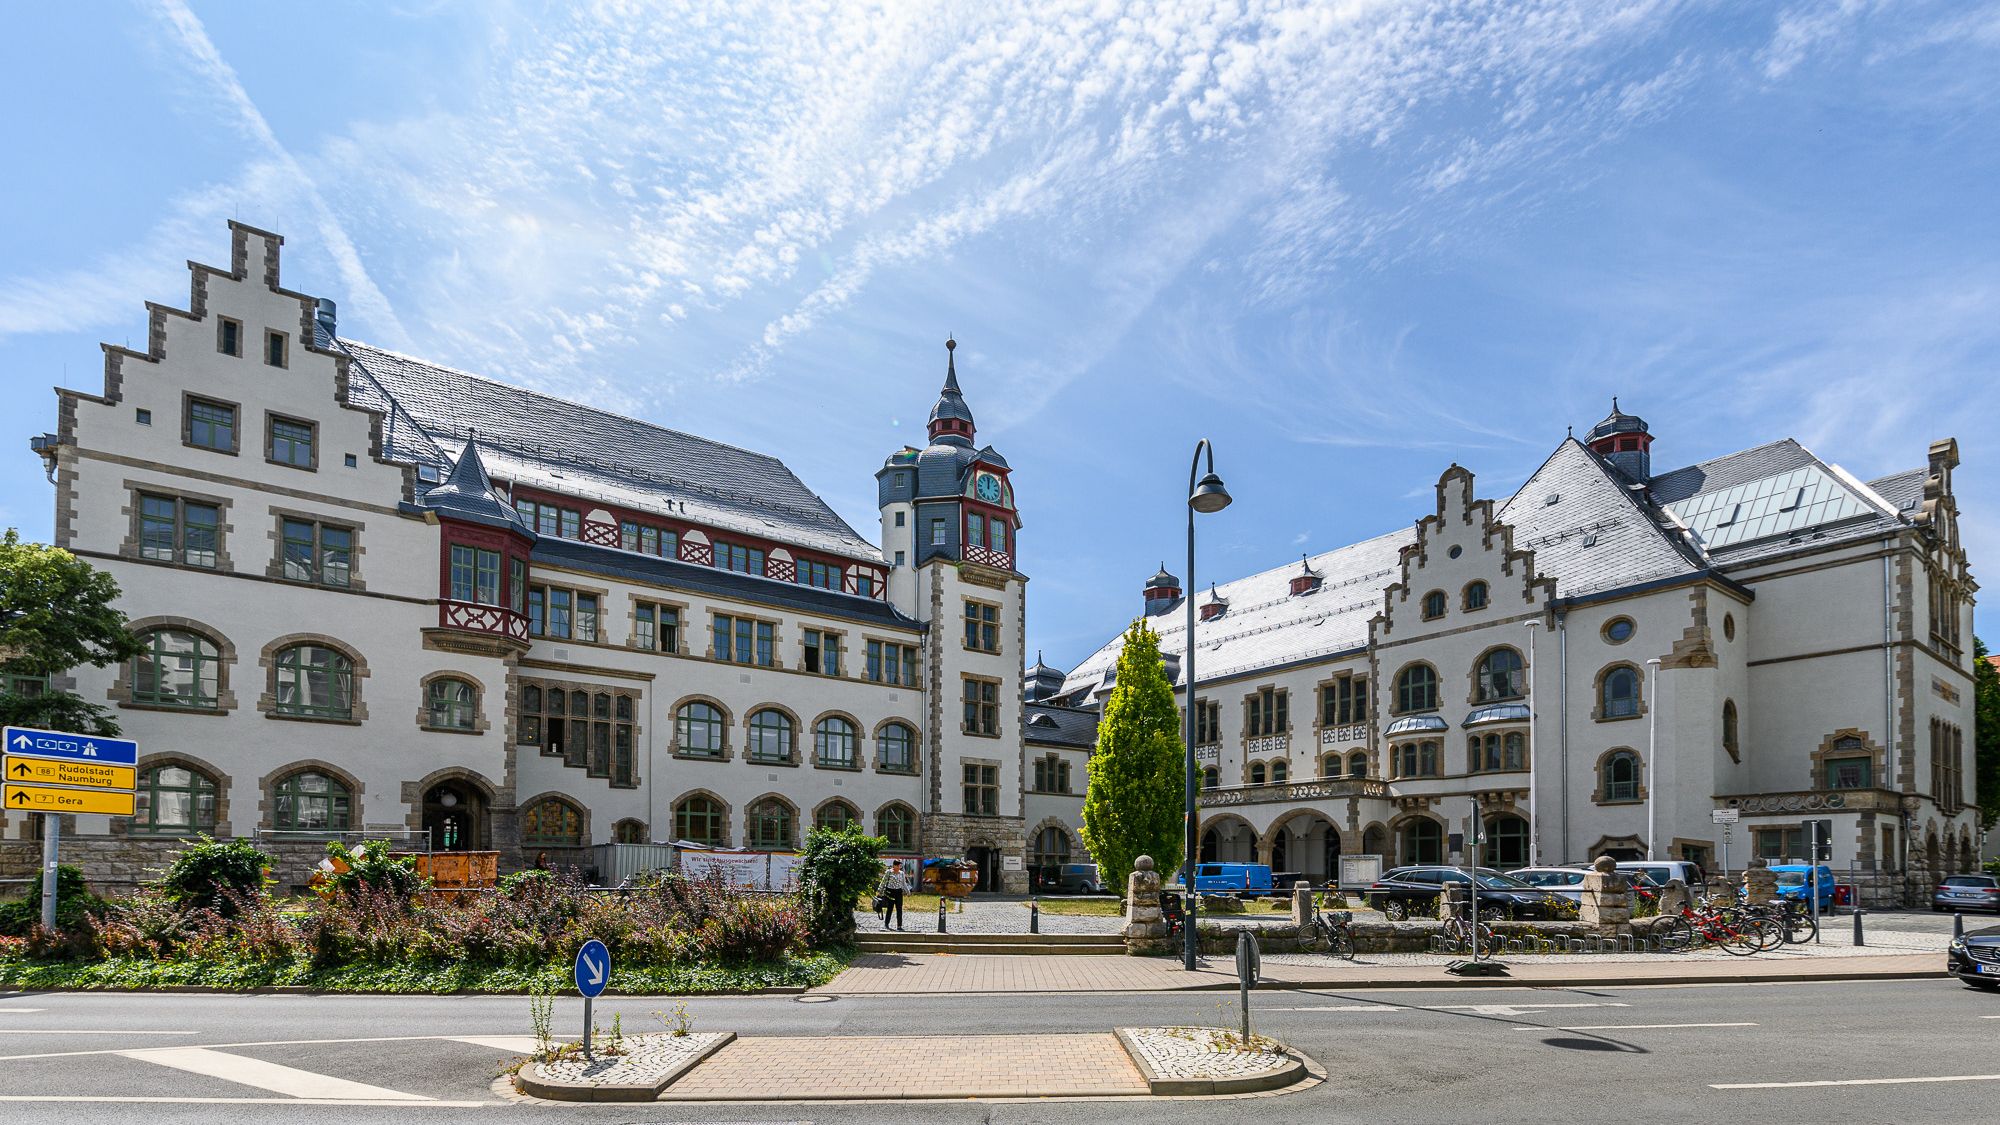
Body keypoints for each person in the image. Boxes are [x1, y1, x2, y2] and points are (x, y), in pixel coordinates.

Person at [879, 860, 907, 930]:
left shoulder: (902, 873)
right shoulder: (889, 872)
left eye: (899, 866)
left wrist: (908, 891)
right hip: (890, 892)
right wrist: (880, 890)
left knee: (899, 909)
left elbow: (904, 883)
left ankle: (899, 926)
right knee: (890, 908)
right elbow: (883, 881)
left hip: (898, 892)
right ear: (894, 865)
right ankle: (886, 924)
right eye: (897, 865)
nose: (898, 867)